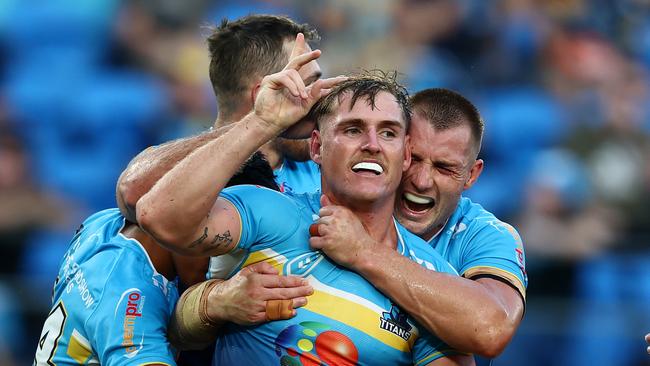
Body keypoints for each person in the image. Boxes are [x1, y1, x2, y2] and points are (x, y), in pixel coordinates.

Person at [135, 41, 474, 365]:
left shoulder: (431, 277)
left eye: (388, 132)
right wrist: (263, 123)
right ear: (317, 148)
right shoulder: (269, 212)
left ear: (404, 156)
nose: (372, 144)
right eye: (353, 130)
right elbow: (158, 216)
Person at [32, 152, 311, 366]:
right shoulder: (129, 300)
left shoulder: (103, 224)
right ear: (190, 221)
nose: (233, 266)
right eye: (221, 239)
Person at [309, 88, 527, 358]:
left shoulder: (486, 235)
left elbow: (491, 331)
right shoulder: (339, 187)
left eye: (444, 168)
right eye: (414, 159)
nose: (422, 181)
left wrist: (362, 250)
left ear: (472, 175)